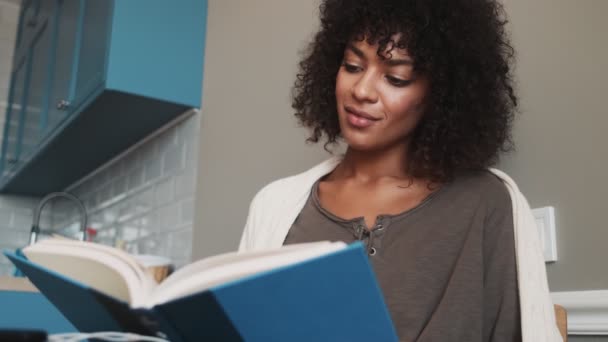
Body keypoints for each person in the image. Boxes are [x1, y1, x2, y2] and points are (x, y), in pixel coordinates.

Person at [239, 0, 562, 341]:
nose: (361, 91)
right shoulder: (275, 206)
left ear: (440, 93)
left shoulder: (488, 205)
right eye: (352, 66)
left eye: (396, 78)